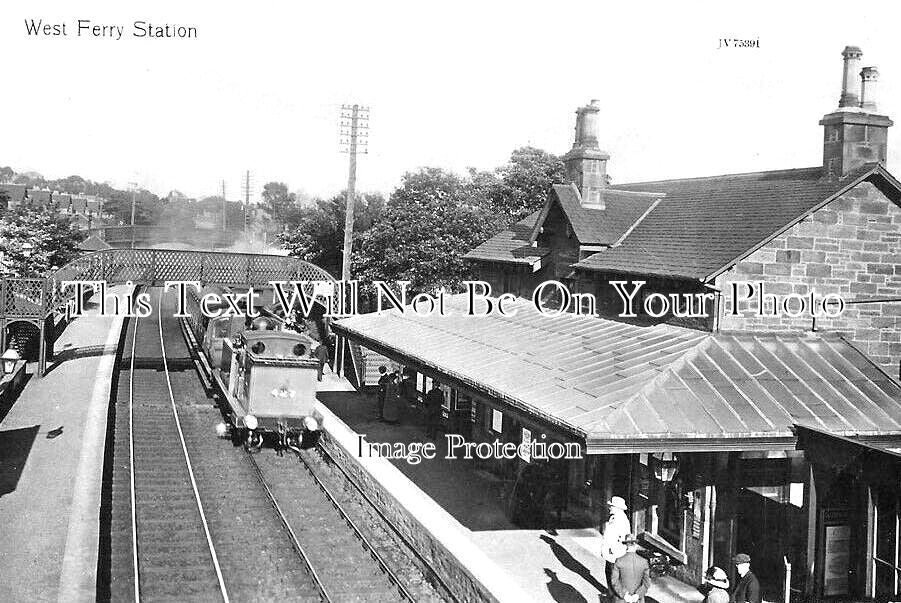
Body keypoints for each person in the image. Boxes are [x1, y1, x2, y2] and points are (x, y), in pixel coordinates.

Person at [601, 496, 631, 602]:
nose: (610, 507)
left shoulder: (622, 520)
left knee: (615, 580)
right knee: (609, 575)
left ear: (617, 507)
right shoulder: (614, 517)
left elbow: (623, 538)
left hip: (616, 555)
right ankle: (611, 597)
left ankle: (615, 599)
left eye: (611, 506)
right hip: (610, 555)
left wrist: (613, 550)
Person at [610, 534, 651, 603]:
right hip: (638, 600)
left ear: (626, 545)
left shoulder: (619, 561)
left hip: (622, 600)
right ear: (636, 545)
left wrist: (625, 595)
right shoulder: (644, 562)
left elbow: (614, 581)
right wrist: (637, 595)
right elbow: (646, 582)